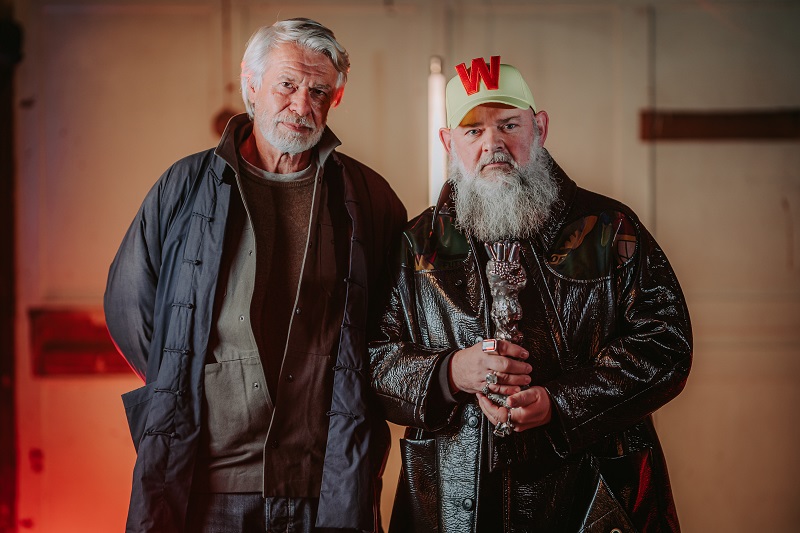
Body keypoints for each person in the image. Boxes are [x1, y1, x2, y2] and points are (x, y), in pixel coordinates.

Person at [105, 18, 406, 533]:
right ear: (251, 82)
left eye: (318, 91)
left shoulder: (367, 198)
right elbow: (130, 306)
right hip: (205, 481)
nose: (301, 105)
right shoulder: (186, 186)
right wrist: (188, 378)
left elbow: (393, 325)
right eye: (287, 85)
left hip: (323, 479)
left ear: (336, 97)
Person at [369, 56, 692, 532]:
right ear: (448, 143)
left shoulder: (608, 230)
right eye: (473, 131)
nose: (493, 144)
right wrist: (453, 372)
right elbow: (375, 362)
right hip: (453, 500)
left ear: (539, 128)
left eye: (508, 125)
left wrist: (560, 403)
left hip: (591, 494)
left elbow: (666, 347)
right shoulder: (418, 246)